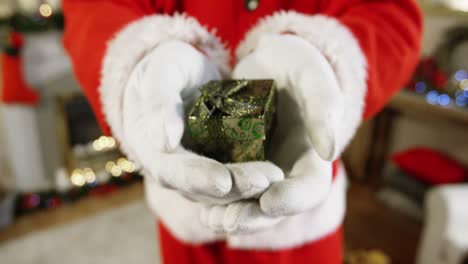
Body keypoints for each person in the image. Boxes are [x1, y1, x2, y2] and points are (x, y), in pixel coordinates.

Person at [62, 1, 422, 263]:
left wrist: (327, 64)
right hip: (184, 208)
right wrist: (140, 63)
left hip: (300, 211)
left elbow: (392, 15)